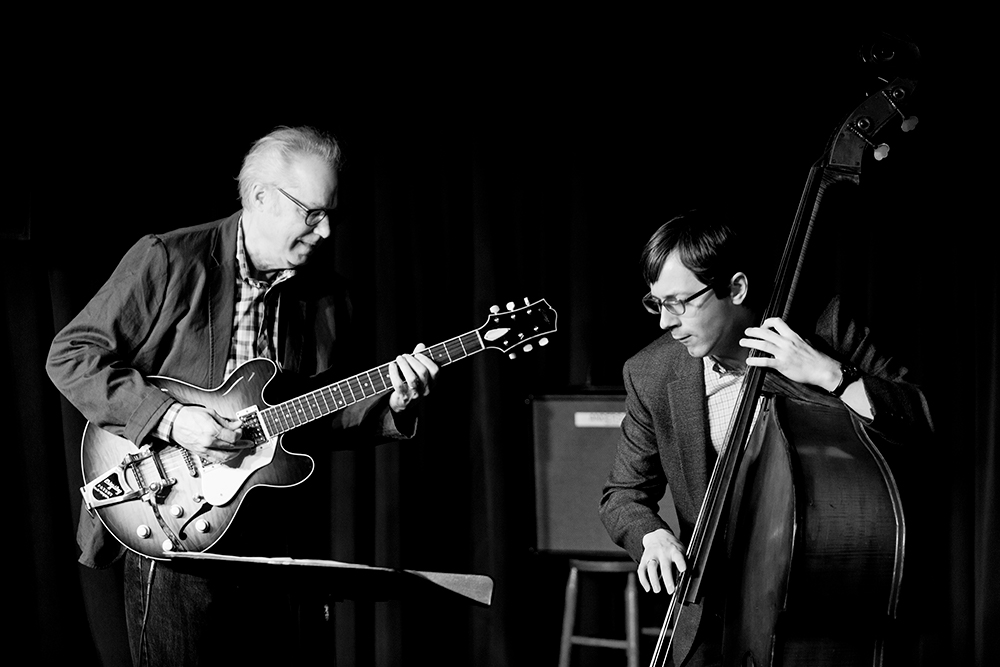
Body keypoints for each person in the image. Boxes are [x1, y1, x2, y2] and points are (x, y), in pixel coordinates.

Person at [46, 126, 439, 665]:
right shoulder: (169, 259)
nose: (325, 232)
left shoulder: (328, 299)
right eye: (312, 212)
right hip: (172, 524)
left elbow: (316, 417)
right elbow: (71, 356)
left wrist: (392, 404)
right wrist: (172, 419)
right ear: (260, 198)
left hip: (272, 537)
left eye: (332, 215)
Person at [599, 210, 933, 666]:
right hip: (710, 615)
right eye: (656, 303)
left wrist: (830, 374)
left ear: (735, 289)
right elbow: (623, 494)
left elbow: (919, 422)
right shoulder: (651, 372)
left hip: (818, 604)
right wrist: (651, 535)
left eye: (678, 302)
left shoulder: (824, 328)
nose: (664, 322)